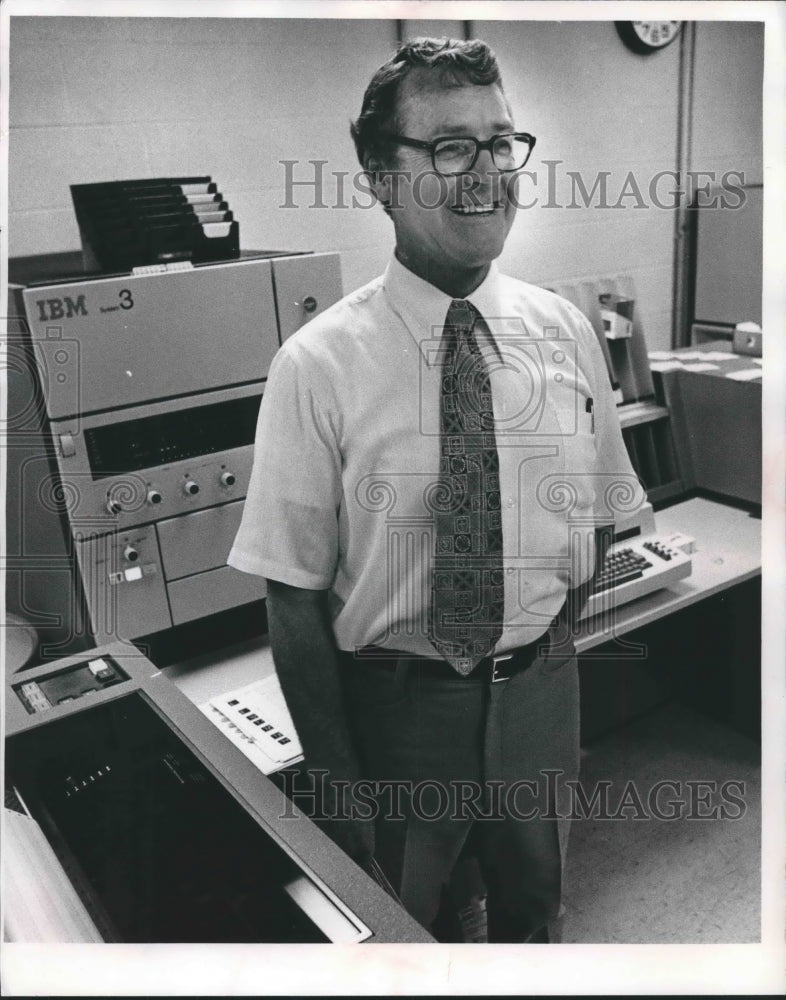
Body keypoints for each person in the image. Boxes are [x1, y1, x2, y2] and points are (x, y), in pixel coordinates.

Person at [229, 36, 645, 943]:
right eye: (452, 147)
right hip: (396, 717)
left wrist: (538, 652)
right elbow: (291, 599)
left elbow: (607, 515)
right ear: (381, 179)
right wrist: (338, 785)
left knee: (536, 922)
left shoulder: (564, 334)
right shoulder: (317, 366)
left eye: (502, 143)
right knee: (410, 934)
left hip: (539, 697)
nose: (488, 172)